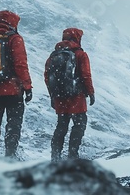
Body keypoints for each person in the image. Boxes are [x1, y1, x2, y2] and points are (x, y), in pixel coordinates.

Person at [0, 10, 33, 158]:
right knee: (13, 125)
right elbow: (20, 65)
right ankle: (10, 157)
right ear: (13, 23)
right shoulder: (14, 39)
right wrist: (27, 87)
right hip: (12, 90)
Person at [44, 28, 95, 162]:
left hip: (60, 97)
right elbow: (85, 75)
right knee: (79, 124)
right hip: (76, 96)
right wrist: (90, 92)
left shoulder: (54, 55)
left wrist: (53, 95)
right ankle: (73, 155)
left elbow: (47, 76)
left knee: (61, 126)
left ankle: (55, 156)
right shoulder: (80, 54)